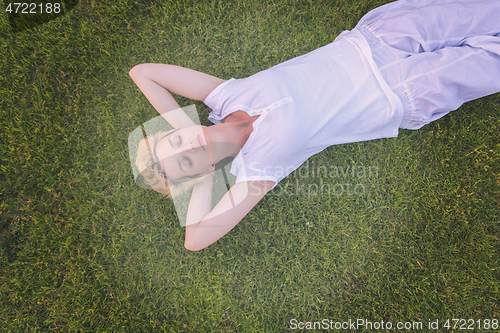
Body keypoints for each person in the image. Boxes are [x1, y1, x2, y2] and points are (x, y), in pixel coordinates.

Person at [129, 0, 500, 251]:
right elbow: (194, 239)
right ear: (205, 172)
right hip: (403, 93)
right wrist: (203, 180)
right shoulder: (256, 173)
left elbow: (143, 73)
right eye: (186, 161)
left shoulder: (225, 96)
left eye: (176, 141)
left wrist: (183, 129)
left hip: (379, 38)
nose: (188, 146)